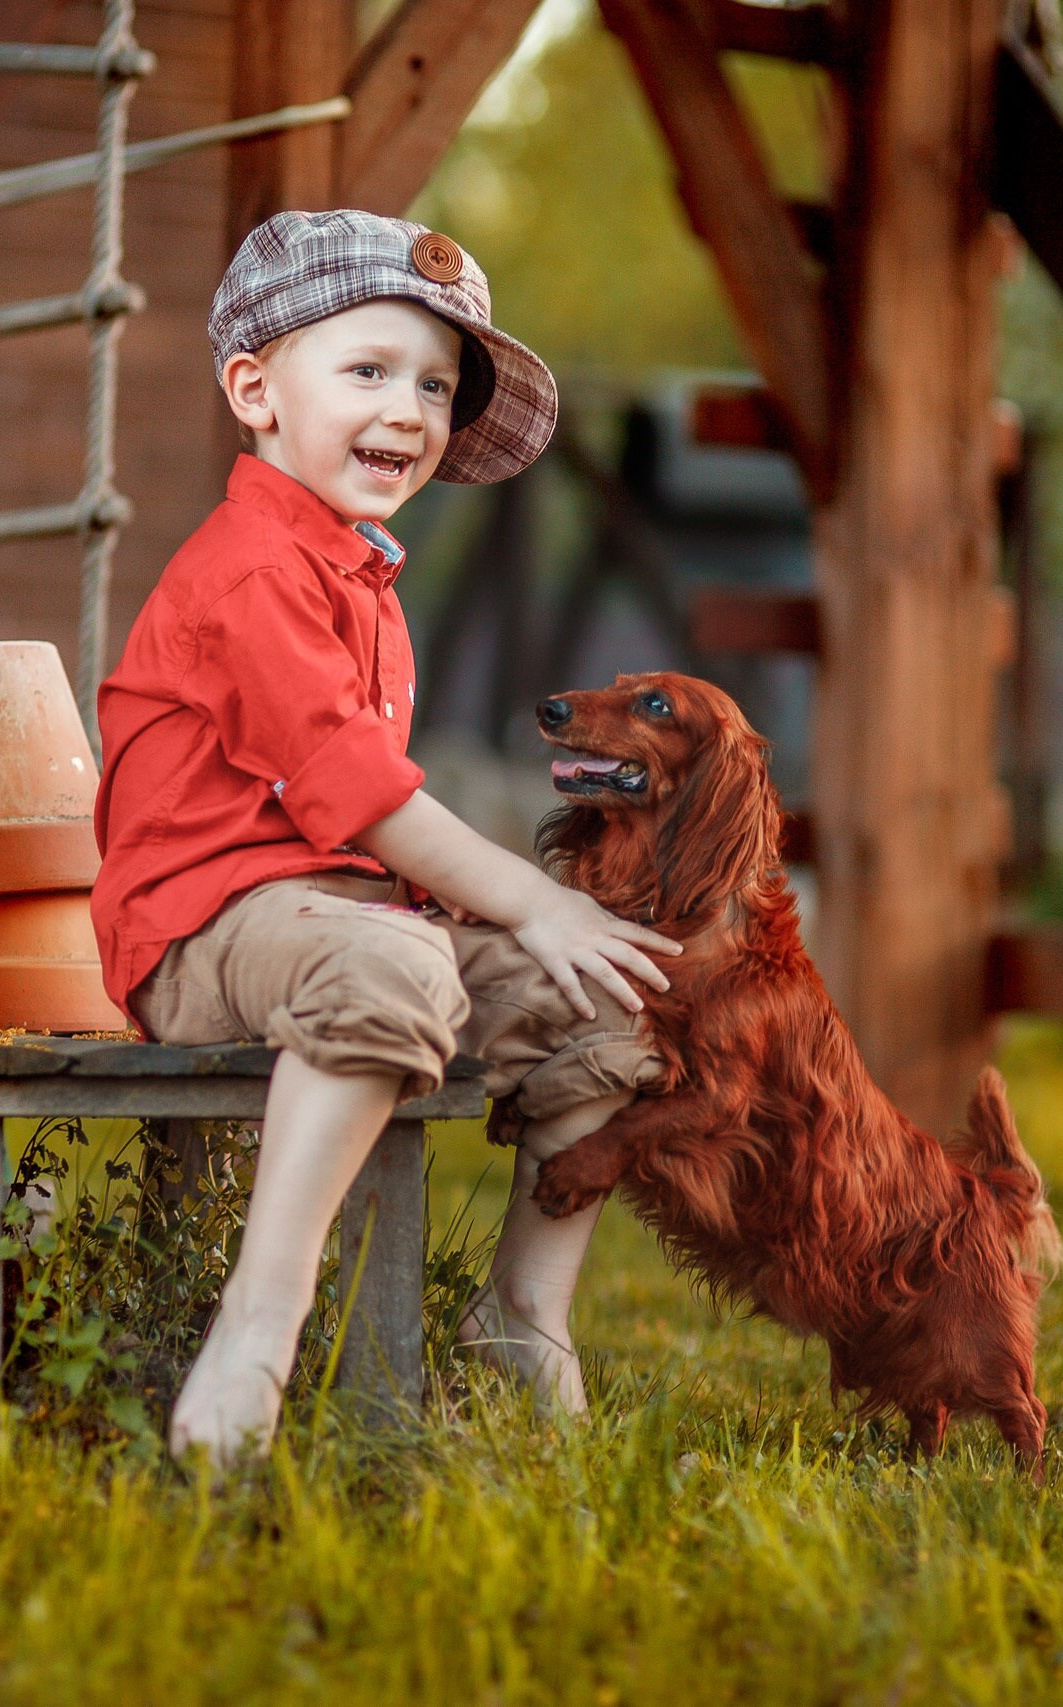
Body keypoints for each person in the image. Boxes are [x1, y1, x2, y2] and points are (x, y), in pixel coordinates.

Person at [93, 210, 679, 1465]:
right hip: (203, 934)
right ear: (254, 388)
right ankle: (261, 1321)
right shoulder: (249, 571)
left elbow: (368, 844)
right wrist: (524, 895)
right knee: (403, 959)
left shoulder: (359, 578)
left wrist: (535, 927)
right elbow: (357, 797)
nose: (409, 411)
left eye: (432, 385)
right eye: (367, 371)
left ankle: (522, 1316)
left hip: (339, 922)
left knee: (613, 991)